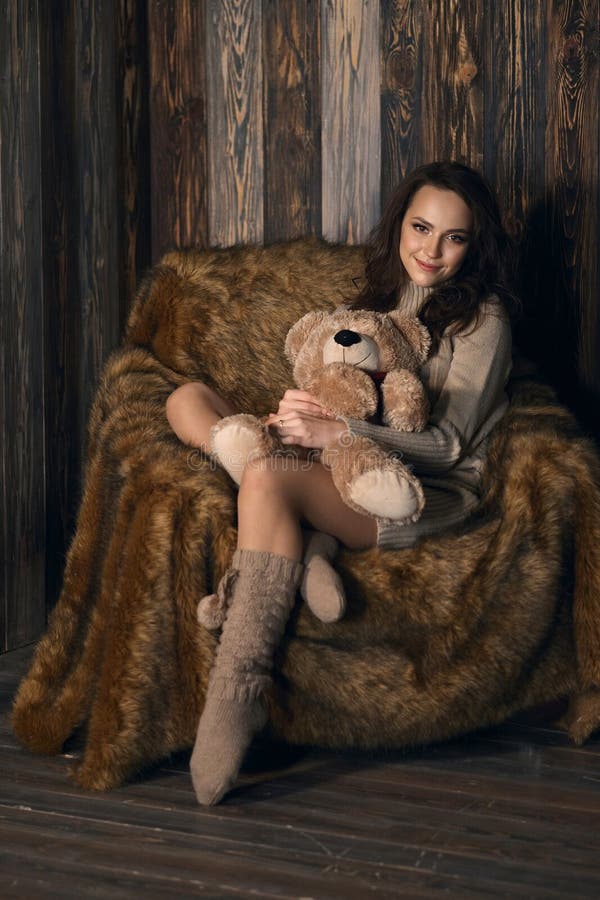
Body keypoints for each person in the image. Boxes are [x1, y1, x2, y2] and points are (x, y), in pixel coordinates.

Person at [165, 160, 519, 805]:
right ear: (399, 225)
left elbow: (448, 447)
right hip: (344, 465)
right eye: (420, 228)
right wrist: (301, 415)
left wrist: (338, 438)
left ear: (476, 244)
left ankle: (238, 688)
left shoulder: (482, 321)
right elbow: (348, 392)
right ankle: (293, 525)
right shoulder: (375, 301)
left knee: (270, 479)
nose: (432, 250)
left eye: (454, 237)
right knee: (188, 396)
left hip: (419, 491)